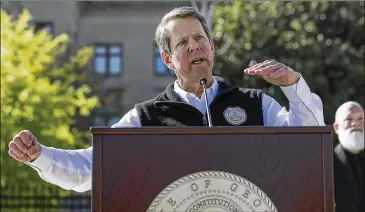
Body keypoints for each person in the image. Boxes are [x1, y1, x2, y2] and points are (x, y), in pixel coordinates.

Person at [8, 6, 325, 192]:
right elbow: (91, 169)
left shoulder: (255, 104)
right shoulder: (145, 118)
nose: (194, 47)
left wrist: (293, 86)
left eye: (200, 39)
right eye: (182, 43)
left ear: (212, 48)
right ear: (167, 59)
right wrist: (40, 156)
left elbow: (307, 144)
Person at [333, 101, 364, 212]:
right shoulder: (326, 162)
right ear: (336, 127)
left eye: (360, 119)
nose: (355, 123)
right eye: (348, 119)